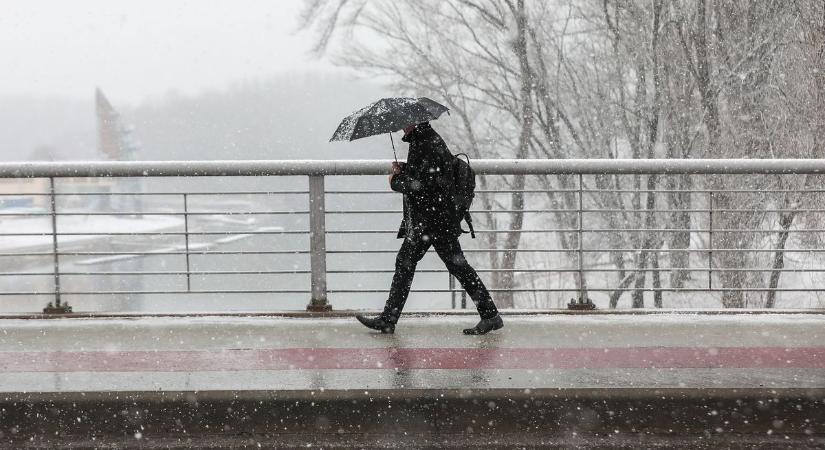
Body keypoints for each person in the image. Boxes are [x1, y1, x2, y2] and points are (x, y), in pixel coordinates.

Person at [355, 122, 503, 335]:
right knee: (444, 265)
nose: (400, 128)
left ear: (414, 122)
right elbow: (428, 176)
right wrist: (405, 170)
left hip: (433, 221)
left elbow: (423, 187)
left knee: (419, 264)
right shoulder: (425, 140)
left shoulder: (426, 143)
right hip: (436, 219)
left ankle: (389, 319)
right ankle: (490, 315)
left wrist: (396, 180)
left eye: (404, 124)